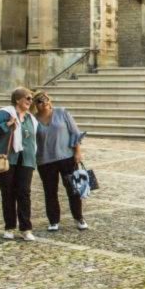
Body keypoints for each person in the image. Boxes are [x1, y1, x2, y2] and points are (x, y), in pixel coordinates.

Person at [0, 86, 39, 241]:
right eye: (28, 98)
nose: (30, 101)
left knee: (24, 193)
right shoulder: (4, 113)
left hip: (26, 161)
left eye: (31, 98)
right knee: (8, 193)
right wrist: (5, 125)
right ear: (17, 99)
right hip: (6, 159)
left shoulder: (31, 119)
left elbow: (35, 140)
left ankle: (26, 229)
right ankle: (9, 227)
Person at [32, 90, 88, 231]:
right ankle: (53, 221)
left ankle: (79, 218)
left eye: (46, 99)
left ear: (50, 100)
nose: (44, 102)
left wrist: (78, 152)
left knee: (73, 189)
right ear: (35, 104)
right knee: (50, 192)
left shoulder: (62, 112)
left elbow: (75, 133)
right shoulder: (33, 119)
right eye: (39, 100)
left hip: (67, 158)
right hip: (45, 160)